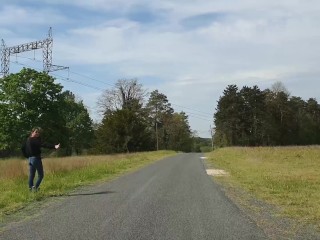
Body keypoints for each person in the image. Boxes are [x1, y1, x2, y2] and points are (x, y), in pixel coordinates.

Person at [22, 127, 60, 192]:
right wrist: (54, 146)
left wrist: (27, 156)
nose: (37, 133)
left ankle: (30, 189)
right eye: (36, 132)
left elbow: (22, 148)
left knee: (32, 175)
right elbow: (43, 144)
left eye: (38, 132)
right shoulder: (34, 140)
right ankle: (35, 188)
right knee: (41, 175)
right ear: (32, 132)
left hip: (30, 159)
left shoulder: (27, 140)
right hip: (36, 159)